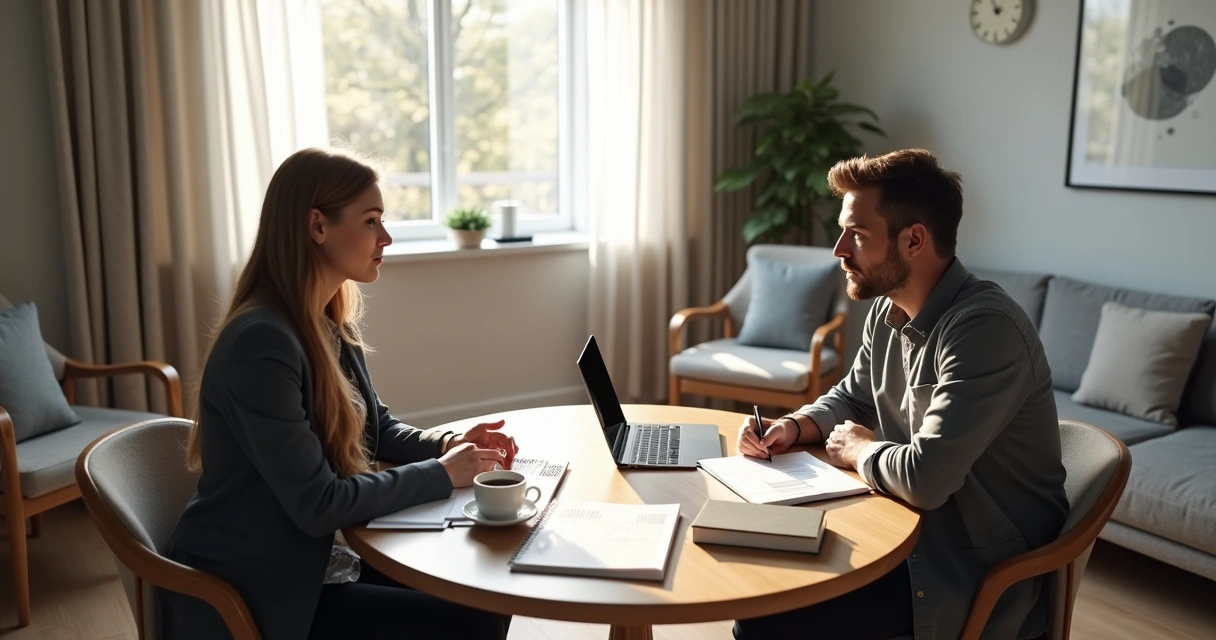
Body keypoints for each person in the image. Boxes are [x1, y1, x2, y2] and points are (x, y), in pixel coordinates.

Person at [161, 148, 518, 640]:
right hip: (257, 585)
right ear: (317, 226)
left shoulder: (326, 320)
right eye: (371, 221)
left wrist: (448, 445)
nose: (386, 237)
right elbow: (320, 504)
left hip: (311, 560)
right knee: (475, 619)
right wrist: (441, 473)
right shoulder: (260, 343)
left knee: (484, 593)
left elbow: (377, 428)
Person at [733, 149, 1068, 640]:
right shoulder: (888, 310)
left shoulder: (984, 329)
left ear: (913, 240)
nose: (839, 250)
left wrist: (860, 450)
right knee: (759, 576)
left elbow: (926, 479)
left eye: (857, 234)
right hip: (906, 534)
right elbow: (854, 397)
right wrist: (794, 426)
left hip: (968, 572)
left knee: (763, 620)